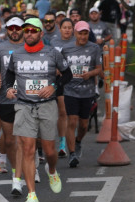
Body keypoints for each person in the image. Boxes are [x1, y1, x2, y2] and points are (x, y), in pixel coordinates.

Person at [6, 18, 72, 202]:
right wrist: (9, 88)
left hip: (47, 105)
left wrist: (54, 86)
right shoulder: (17, 54)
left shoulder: (53, 53)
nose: (29, 34)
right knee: (27, 149)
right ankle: (32, 195)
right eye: (26, 31)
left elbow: (67, 74)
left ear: (41, 33)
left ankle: (51, 170)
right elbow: (9, 74)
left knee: (50, 151)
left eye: (33, 31)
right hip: (24, 105)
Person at [62, 21, 103, 168]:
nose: (83, 36)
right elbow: (61, 68)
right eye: (80, 33)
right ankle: (72, 154)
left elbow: (99, 69)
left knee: (84, 125)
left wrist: (90, 73)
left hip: (87, 91)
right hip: (70, 90)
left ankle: (78, 141)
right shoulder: (66, 49)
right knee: (72, 120)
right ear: (75, 33)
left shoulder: (94, 48)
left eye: (85, 33)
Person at [0, 16, 25, 193]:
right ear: (7, 29)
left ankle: (21, 175)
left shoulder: (29, 46)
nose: (14, 31)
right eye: (11, 28)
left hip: (27, 100)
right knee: (11, 140)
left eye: (17, 28)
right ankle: (15, 174)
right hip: (6, 99)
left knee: (24, 141)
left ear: (22, 29)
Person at [50, 18, 75, 158]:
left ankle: (62, 143)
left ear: (73, 29)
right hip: (57, 79)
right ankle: (49, 142)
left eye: (69, 27)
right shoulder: (54, 42)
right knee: (53, 112)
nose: (67, 30)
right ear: (60, 28)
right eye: (64, 27)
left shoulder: (75, 42)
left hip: (71, 79)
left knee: (63, 112)